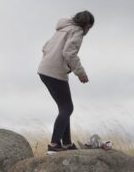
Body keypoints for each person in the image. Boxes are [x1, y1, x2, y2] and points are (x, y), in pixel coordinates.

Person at [38, 11, 94, 154]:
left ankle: (67, 144)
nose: (88, 31)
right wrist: (80, 73)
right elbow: (69, 53)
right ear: (87, 25)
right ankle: (54, 145)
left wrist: (56, 62)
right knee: (67, 108)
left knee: (64, 108)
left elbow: (45, 47)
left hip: (44, 70)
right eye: (90, 28)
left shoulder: (63, 28)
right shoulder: (78, 31)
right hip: (54, 72)